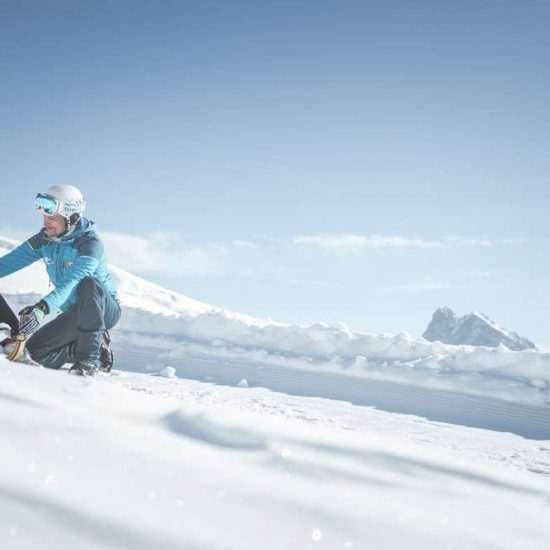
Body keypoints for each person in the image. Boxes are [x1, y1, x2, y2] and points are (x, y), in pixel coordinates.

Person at [0, 185, 121, 376]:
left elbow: (74, 281)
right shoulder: (45, 239)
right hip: (73, 313)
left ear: (71, 218)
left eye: (52, 217)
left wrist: (42, 309)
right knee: (33, 354)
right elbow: (6, 264)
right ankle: (93, 347)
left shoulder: (90, 244)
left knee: (88, 284)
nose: (45, 222)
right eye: (44, 217)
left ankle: (89, 360)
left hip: (104, 309)